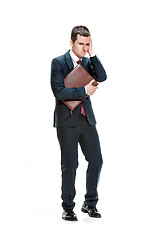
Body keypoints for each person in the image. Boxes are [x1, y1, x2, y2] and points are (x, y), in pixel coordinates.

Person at [50, 26, 107, 221]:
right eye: (81, 44)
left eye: (87, 44)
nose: (84, 47)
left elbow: (102, 76)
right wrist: (84, 91)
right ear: (71, 42)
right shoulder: (58, 63)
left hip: (86, 119)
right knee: (70, 164)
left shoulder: (88, 61)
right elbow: (59, 92)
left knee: (96, 160)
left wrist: (94, 53)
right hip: (67, 121)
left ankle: (90, 203)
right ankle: (68, 207)